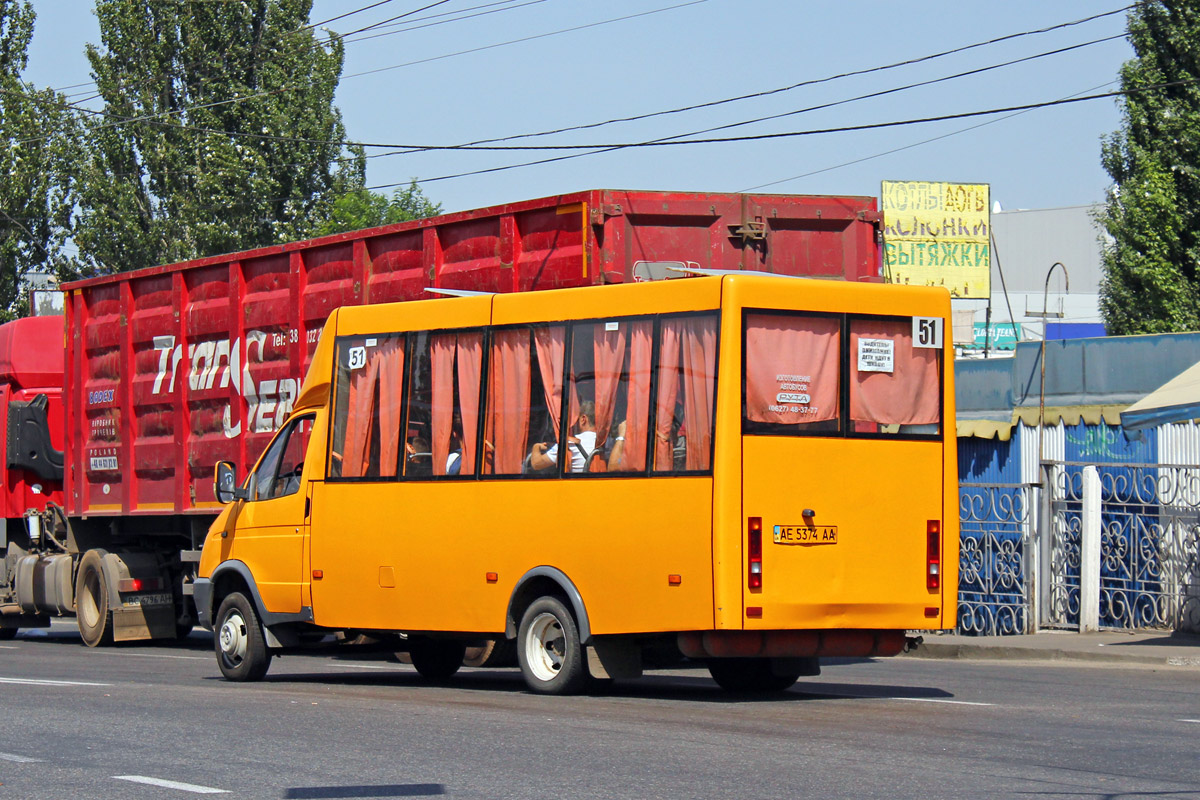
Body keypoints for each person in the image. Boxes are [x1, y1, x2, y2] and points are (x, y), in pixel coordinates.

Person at [528, 400, 597, 473]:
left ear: (583, 419)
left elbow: (537, 464)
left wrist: (536, 447)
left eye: (576, 419)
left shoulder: (570, 443)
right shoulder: (603, 442)